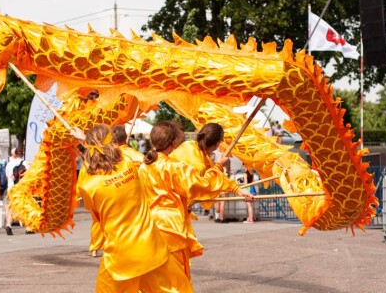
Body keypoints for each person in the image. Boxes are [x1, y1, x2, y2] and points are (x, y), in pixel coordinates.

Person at [72, 125, 193, 292]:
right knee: (176, 289)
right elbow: (120, 153)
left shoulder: (88, 184)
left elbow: (97, 216)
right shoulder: (127, 164)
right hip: (151, 247)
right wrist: (85, 140)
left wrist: (84, 142)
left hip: (121, 255)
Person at [138, 121, 253, 281]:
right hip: (171, 226)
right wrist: (219, 167)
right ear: (174, 142)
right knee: (177, 278)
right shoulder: (175, 167)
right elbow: (201, 185)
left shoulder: (144, 167)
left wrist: (236, 189)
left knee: (158, 278)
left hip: (149, 225)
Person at [170, 123, 248, 224]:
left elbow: (217, 176)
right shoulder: (198, 163)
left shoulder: (190, 145)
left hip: (174, 208)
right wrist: (220, 165)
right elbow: (203, 185)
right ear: (217, 144)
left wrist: (238, 191)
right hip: (170, 210)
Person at [5, 147, 30, 235]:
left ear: (14, 154)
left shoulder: (8, 164)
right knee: (26, 207)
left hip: (11, 188)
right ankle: (28, 228)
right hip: (22, 188)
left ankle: (8, 225)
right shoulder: (26, 163)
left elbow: (7, 178)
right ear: (22, 154)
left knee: (12, 207)